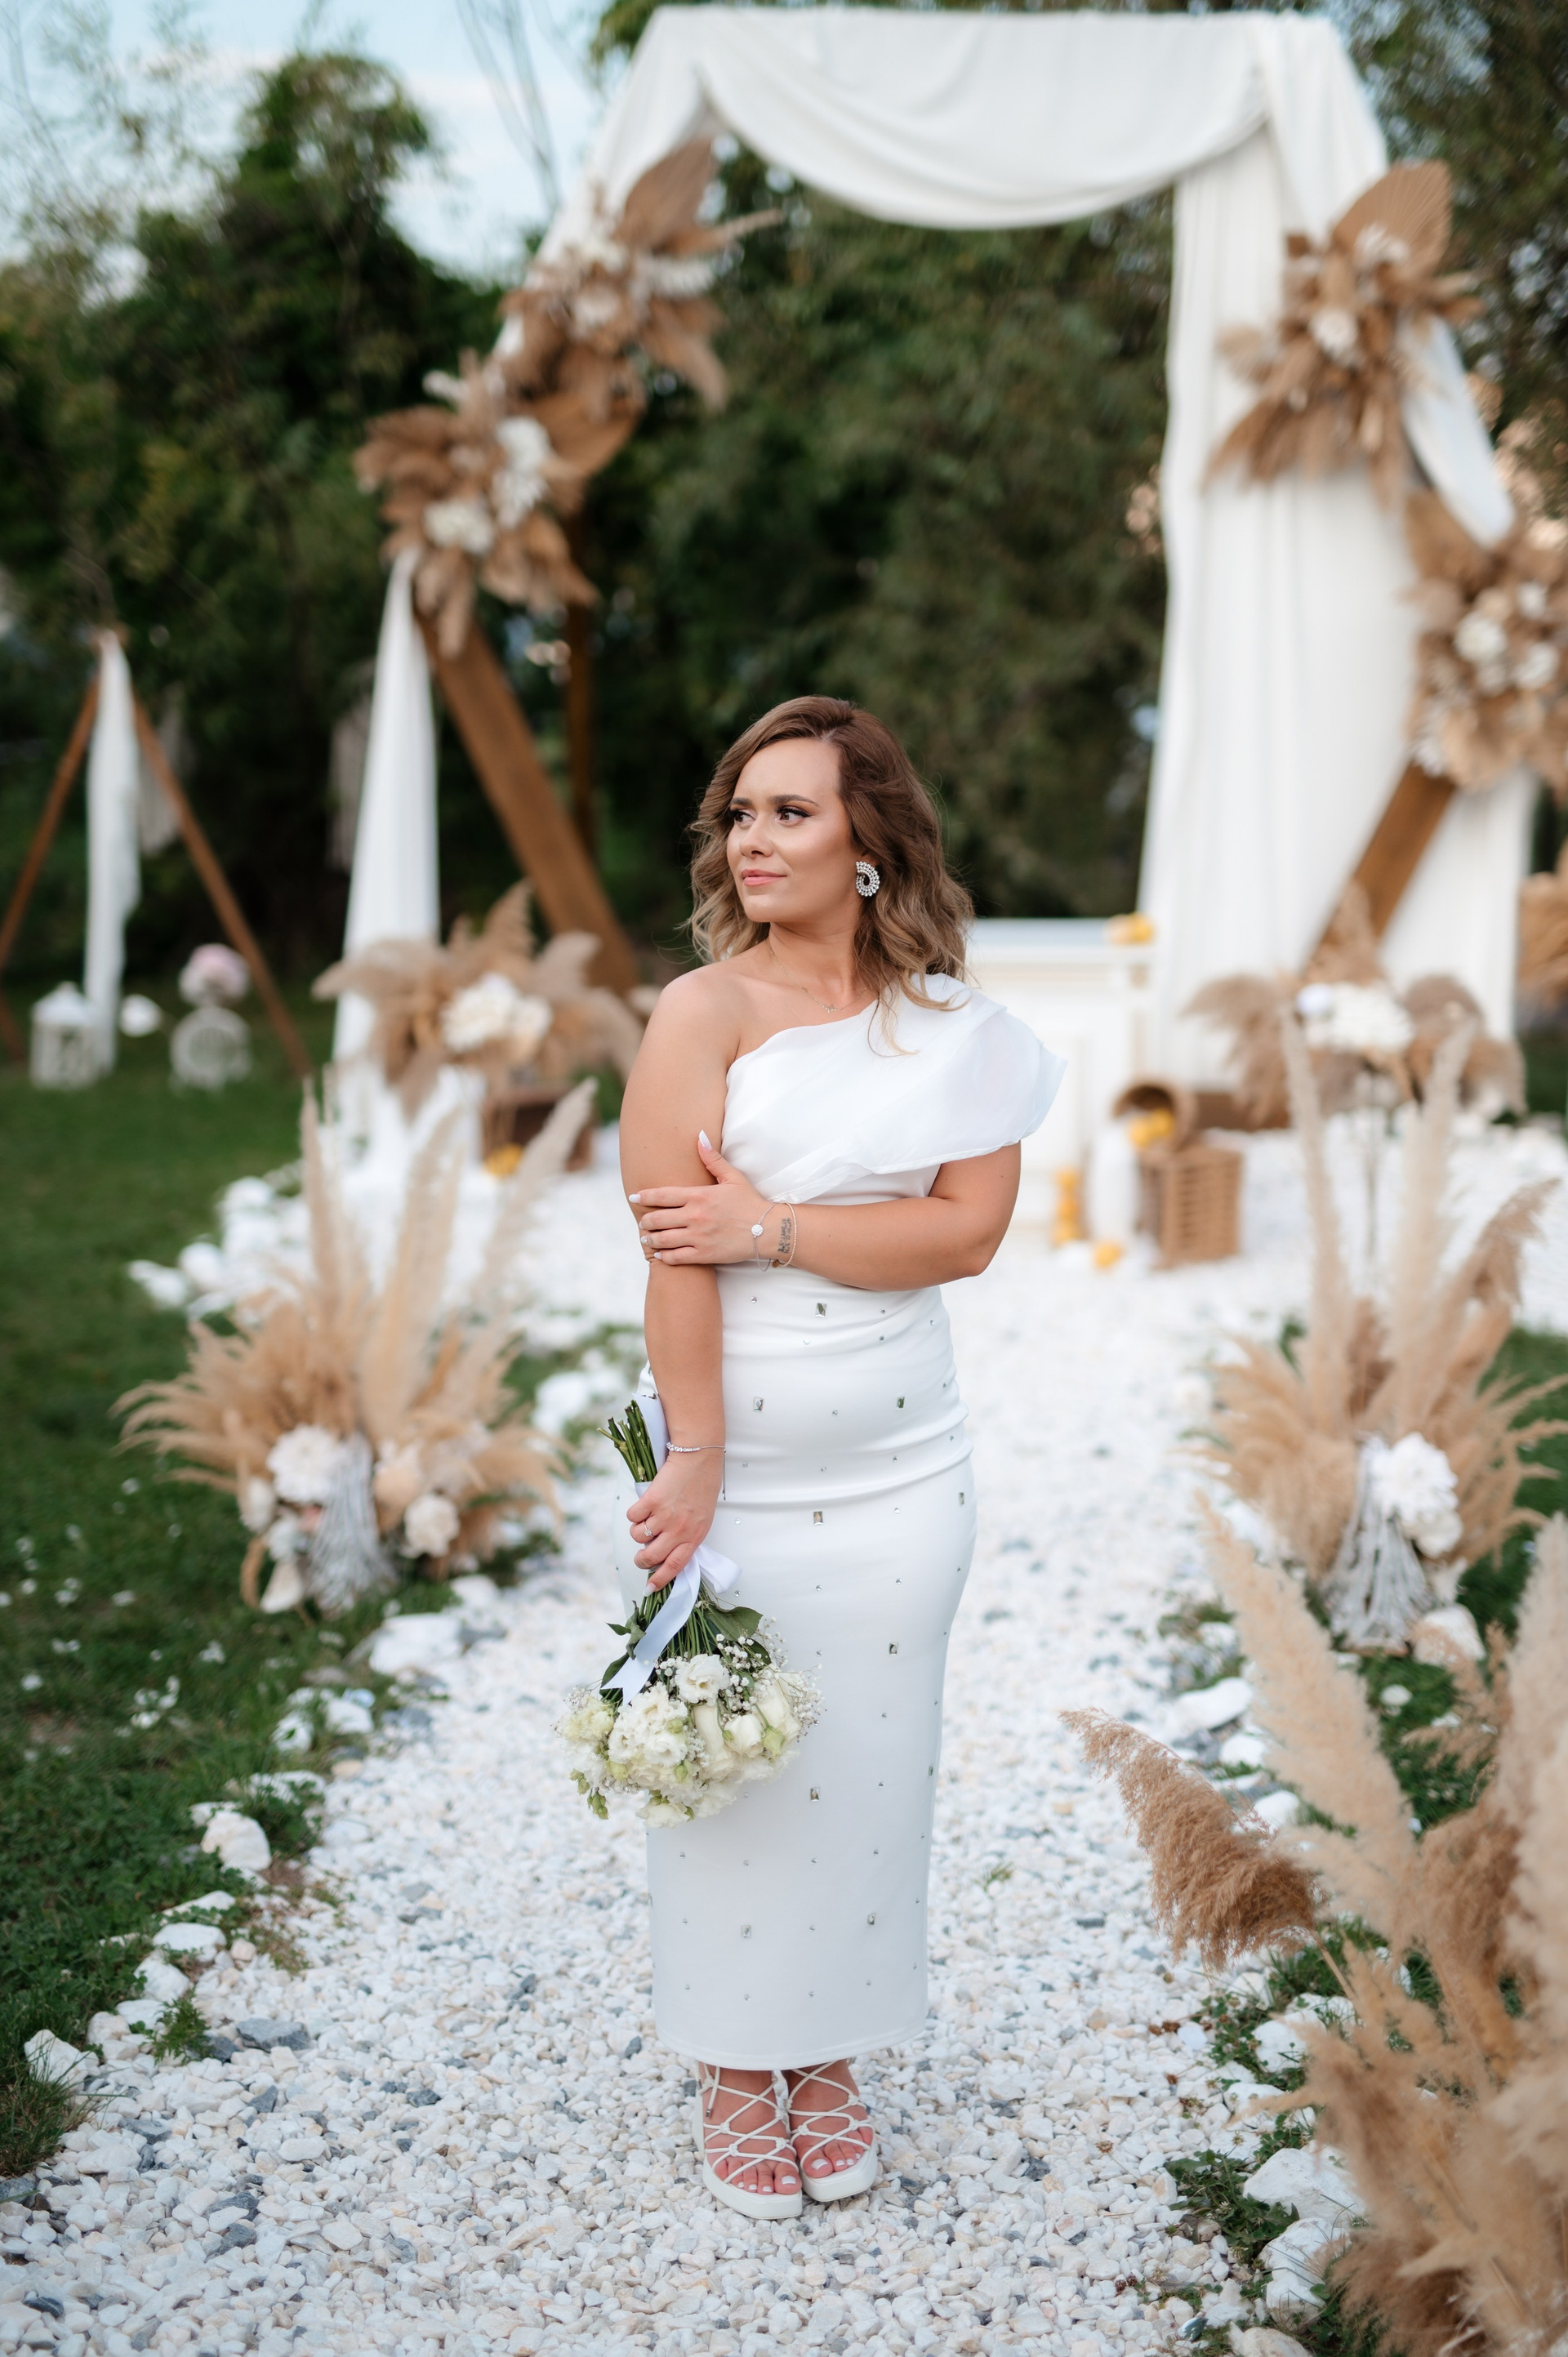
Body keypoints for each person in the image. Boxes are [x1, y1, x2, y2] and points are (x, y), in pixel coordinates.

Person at [615, 696, 1062, 2220]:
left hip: (906, 1468)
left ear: (869, 840)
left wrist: (772, 1224)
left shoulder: (954, 1029)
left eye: (790, 811)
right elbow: (674, 1251)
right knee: (734, 1752)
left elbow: (967, 1231)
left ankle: (829, 2054)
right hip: (740, 1459)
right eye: (741, 813)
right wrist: (695, 1455)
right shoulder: (702, 1013)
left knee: (872, 1759)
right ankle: (738, 2061)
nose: (753, 837)